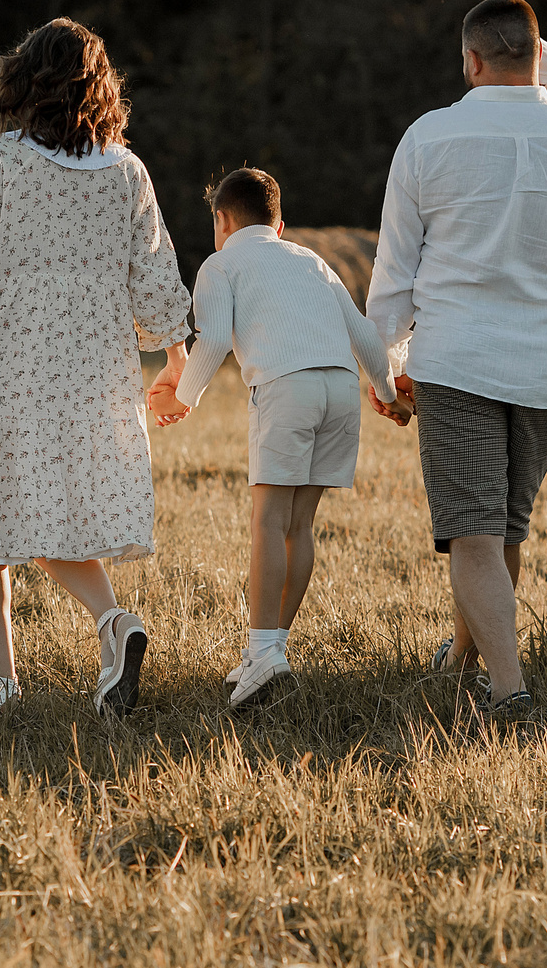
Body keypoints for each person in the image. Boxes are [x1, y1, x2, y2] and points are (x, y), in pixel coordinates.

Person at [0, 19, 192, 716]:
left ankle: (3, 686)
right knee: (53, 515)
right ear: (100, 87)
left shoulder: (4, 160)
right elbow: (156, 274)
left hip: (3, 367)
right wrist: (177, 360)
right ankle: (114, 622)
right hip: (88, 374)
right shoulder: (128, 172)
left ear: (26, 80)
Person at [366, 0, 547, 724]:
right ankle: (463, 656)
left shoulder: (429, 137)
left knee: (476, 533)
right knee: (500, 528)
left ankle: (509, 691)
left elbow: (393, 274)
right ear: (539, 58)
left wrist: (381, 365)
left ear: (471, 60)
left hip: (458, 361)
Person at [145, 168, 399, 710]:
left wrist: (180, 399)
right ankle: (270, 648)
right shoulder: (312, 260)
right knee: (299, 525)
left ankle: (262, 653)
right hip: (339, 389)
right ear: (279, 225)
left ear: (221, 219)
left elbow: (211, 339)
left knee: (267, 520)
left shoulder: (221, 264)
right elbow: (362, 333)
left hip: (287, 390)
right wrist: (385, 391)